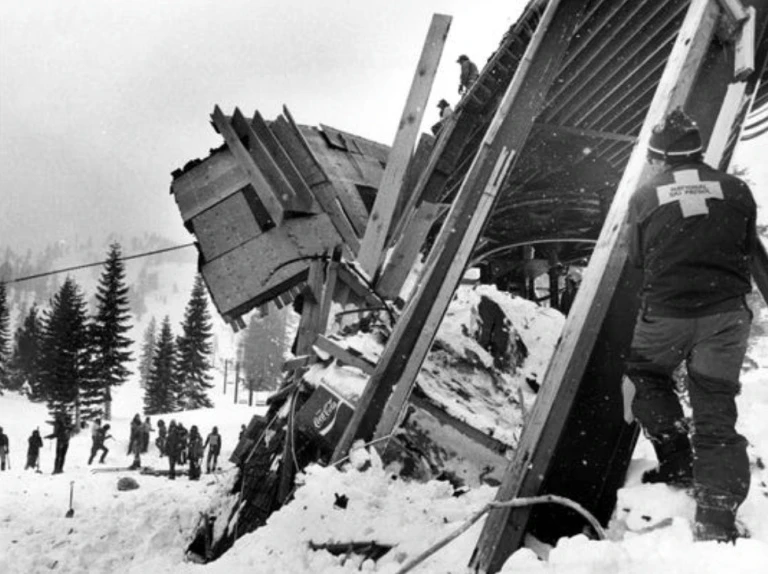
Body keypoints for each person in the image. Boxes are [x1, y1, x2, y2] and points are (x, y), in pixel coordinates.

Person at [625, 108, 757, 543]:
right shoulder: (737, 190)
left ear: (660, 157)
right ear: (699, 152)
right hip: (725, 315)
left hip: (667, 315)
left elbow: (638, 259)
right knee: (716, 411)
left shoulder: (646, 196)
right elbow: (745, 249)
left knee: (645, 376)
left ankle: (678, 460)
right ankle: (716, 520)